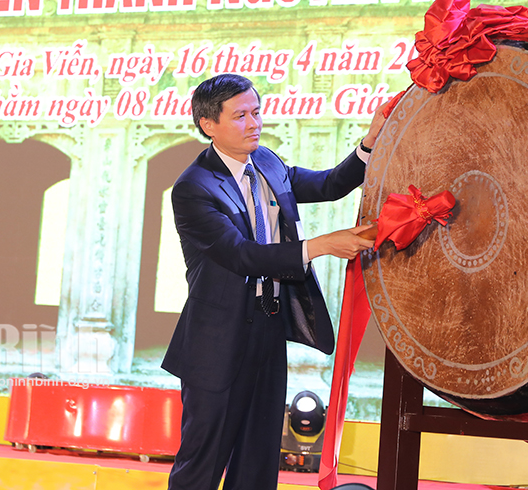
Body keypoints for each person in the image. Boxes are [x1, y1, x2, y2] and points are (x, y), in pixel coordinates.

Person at [162, 73, 385, 490]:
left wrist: (369, 142)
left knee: (258, 463)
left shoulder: (266, 161)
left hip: (268, 329)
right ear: (209, 124)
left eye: (257, 111)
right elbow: (241, 255)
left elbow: (330, 184)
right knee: (202, 465)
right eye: (241, 115)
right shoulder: (193, 188)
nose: (255, 123)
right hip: (216, 343)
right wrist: (319, 245)